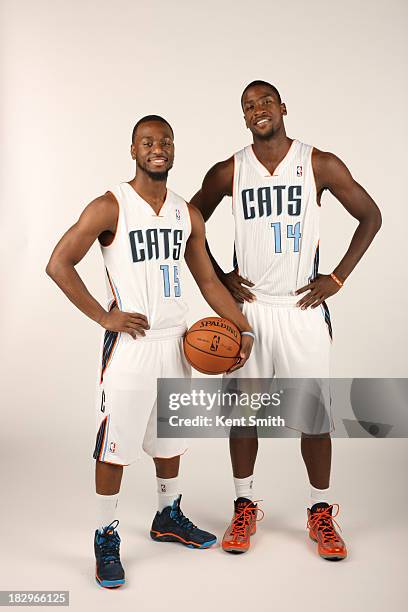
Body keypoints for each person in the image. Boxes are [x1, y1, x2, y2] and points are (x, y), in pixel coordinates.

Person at [46, 115, 254, 588]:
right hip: (132, 347)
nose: (157, 148)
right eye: (147, 142)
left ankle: (168, 515)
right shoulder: (109, 206)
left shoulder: (186, 213)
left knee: (169, 440)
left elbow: (207, 281)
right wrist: (104, 317)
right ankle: (105, 534)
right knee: (114, 445)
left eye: (165, 141)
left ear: (173, 149)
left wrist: (243, 329)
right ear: (133, 150)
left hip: (176, 342)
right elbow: (59, 263)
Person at [190, 81, 382, 560]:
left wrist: (336, 277)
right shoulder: (230, 169)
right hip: (250, 309)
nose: (259, 110)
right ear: (244, 116)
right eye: (249, 106)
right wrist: (218, 276)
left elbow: (370, 216)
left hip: (301, 309)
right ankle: (244, 504)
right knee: (243, 415)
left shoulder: (318, 163)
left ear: (282, 107)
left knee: (313, 417)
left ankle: (320, 512)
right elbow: (190, 220)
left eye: (266, 102)